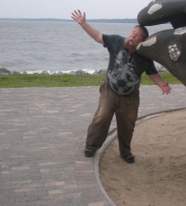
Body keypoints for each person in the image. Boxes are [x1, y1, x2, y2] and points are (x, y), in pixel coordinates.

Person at [71, 10, 172, 163]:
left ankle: (125, 152)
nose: (133, 36)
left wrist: (162, 84)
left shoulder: (145, 55)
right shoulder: (117, 41)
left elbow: (152, 73)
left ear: (142, 40)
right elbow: (98, 36)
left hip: (131, 96)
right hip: (110, 90)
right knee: (101, 117)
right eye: (133, 32)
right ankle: (91, 146)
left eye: (137, 35)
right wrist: (84, 24)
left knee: (127, 124)